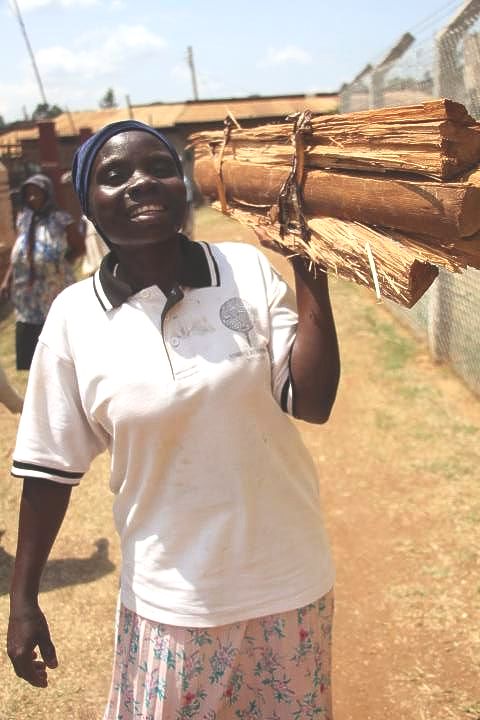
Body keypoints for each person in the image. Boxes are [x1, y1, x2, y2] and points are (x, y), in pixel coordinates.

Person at [7, 121, 341, 719]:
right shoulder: (74, 318)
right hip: (171, 601)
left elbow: (310, 402)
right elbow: (48, 471)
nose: (141, 183)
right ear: (88, 204)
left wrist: (308, 267)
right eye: (114, 175)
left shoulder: (244, 270)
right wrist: (23, 598)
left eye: (159, 168)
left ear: (182, 185)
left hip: (287, 581)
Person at [0, 173, 84, 370]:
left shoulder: (61, 219)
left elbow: (79, 247)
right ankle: (36, 372)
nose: (32, 198)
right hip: (26, 293)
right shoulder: (24, 219)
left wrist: (58, 265)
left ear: (47, 194)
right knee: (29, 331)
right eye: (28, 194)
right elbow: (19, 252)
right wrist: (6, 280)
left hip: (53, 288)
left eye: (37, 193)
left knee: (55, 330)